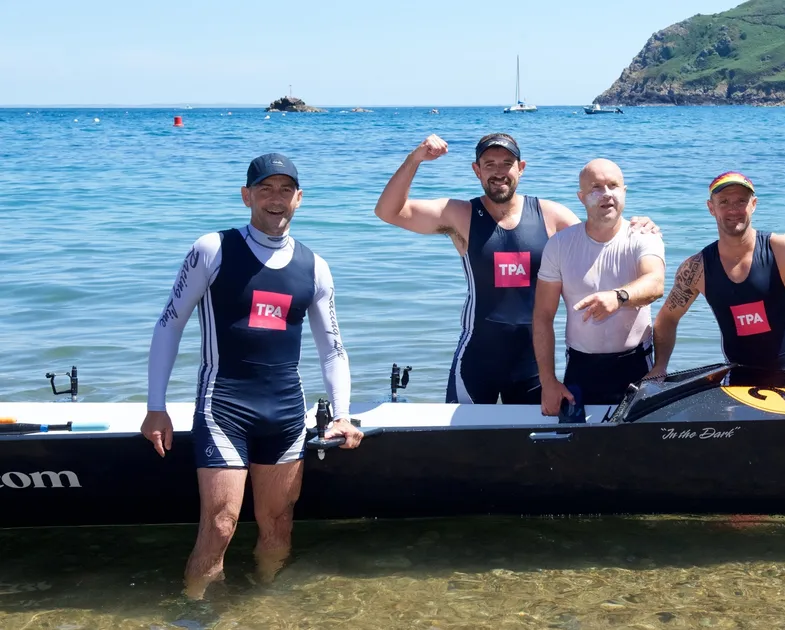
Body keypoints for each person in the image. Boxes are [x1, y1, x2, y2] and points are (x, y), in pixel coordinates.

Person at [141, 153, 364, 600]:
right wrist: (156, 407)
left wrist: (342, 414)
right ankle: (196, 612)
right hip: (224, 406)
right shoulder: (213, 250)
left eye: (285, 190)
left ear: (299, 198)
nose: (275, 199)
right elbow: (169, 323)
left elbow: (333, 346)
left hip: (284, 412)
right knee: (221, 524)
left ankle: (265, 607)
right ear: (247, 196)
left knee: (279, 524)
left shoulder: (314, 266)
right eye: (265, 189)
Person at [373, 133, 658, 404]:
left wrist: (640, 225)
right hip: (476, 357)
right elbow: (388, 212)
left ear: (521, 169)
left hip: (533, 363)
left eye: (507, 164)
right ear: (477, 170)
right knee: (461, 443)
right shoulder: (460, 215)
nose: (499, 172)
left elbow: (602, 233)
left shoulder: (551, 216)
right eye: (489, 165)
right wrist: (415, 159)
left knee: (534, 446)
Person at [647, 170, 785, 388]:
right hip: (739, 386)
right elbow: (667, 319)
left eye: (741, 201)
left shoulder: (783, 249)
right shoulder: (697, 268)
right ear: (711, 208)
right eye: (724, 202)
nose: (733, 209)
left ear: (754, 204)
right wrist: (660, 367)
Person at [533, 159, 665, 415]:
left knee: (638, 448)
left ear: (624, 192)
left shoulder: (643, 236)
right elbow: (542, 316)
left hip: (636, 364)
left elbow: (655, 283)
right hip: (581, 365)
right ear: (581, 197)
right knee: (577, 449)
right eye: (596, 188)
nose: (606, 194)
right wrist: (548, 381)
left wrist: (619, 297)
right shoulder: (560, 244)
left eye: (613, 186)